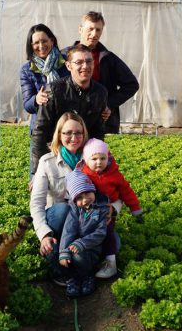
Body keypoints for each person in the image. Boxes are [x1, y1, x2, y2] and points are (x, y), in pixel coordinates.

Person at [30, 112, 89, 286]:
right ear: (59, 135)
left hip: (83, 220)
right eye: (67, 133)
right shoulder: (47, 162)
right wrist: (44, 234)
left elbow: (113, 188)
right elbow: (37, 203)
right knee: (64, 210)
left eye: (78, 133)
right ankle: (57, 262)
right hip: (58, 221)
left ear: (84, 134)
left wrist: (111, 210)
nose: (73, 138)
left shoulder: (92, 159)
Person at [31, 44, 108, 174]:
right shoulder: (54, 90)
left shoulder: (100, 92)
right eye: (79, 62)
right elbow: (40, 131)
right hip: (55, 155)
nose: (85, 66)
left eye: (89, 61)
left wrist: (96, 160)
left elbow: (98, 132)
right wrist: (38, 170)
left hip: (83, 158)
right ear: (68, 66)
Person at [62, 11, 139, 134]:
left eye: (98, 30)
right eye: (90, 29)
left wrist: (109, 104)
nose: (94, 34)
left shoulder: (108, 58)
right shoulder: (63, 56)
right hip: (71, 123)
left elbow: (132, 84)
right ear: (80, 29)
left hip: (103, 122)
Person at [80, 138, 142, 279]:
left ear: (108, 158)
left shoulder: (114, 174)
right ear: (86, 160)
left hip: (108, 211)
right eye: (94, 158)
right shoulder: (83, 174)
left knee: (107, 233)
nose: (99, 162)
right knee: (87, 232)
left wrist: (135, 207)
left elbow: (126, 190)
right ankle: (88, 260)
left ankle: (111, 263)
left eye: (102, 158)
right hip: (89, 210)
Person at [20, 24, 69, 177]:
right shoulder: (27, 69)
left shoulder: (66, 64)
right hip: (41, 129)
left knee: (66, 174)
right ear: (31, 46)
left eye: (44, 41)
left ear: (52, 41)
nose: (41, 46)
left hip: (66, 128)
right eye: (36, 43)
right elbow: (27, 104)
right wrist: (36, 99)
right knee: (39, 175)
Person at [59, 168, 108, 297]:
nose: (85, 200)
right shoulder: (75, 210)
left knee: (78, 256)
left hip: (92, 247)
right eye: (79, 197)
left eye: (87, 193)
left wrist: (82, 243)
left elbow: (100, 233)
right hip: (76, 245)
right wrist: (64, 251)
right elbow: (68, 230)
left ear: (93, 190)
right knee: (62, 256)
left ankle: (88, 276)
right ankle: (73, 279)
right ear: (74, 200)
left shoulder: (102, 208)